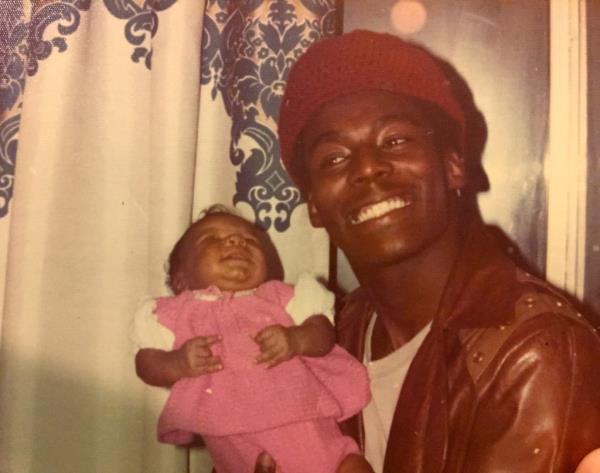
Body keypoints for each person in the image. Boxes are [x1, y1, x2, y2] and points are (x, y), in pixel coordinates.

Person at [270, 29, 600, 472]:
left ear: (452, 166)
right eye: (334, 158)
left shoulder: (534, 352)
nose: (368, 168)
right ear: (313, 204)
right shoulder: (342, 330)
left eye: (396, 140)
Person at [131, 205, 373, 473]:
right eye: (211, 238)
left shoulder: (281, 297)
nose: (236, 241)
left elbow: (323, 332)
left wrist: (296, 339)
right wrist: (177, 362)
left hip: (320, 449)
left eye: (249, 240)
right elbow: (145, 363)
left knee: (353, 467)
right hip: (240, 457)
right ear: (180, 281)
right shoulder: (174, 313)